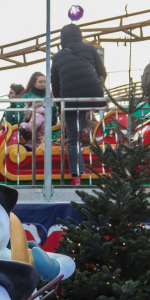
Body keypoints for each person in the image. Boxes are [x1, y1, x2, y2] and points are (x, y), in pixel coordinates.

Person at [51, 24, 107, 185]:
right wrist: (98, 88)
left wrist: (60, 104)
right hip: (93, 95)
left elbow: (55, 84)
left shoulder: (58, 56)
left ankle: (77, 178)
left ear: (62, 39)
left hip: (70, 99)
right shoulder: (90, 49)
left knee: (73, 139)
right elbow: (102, 72)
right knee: (86, 118)